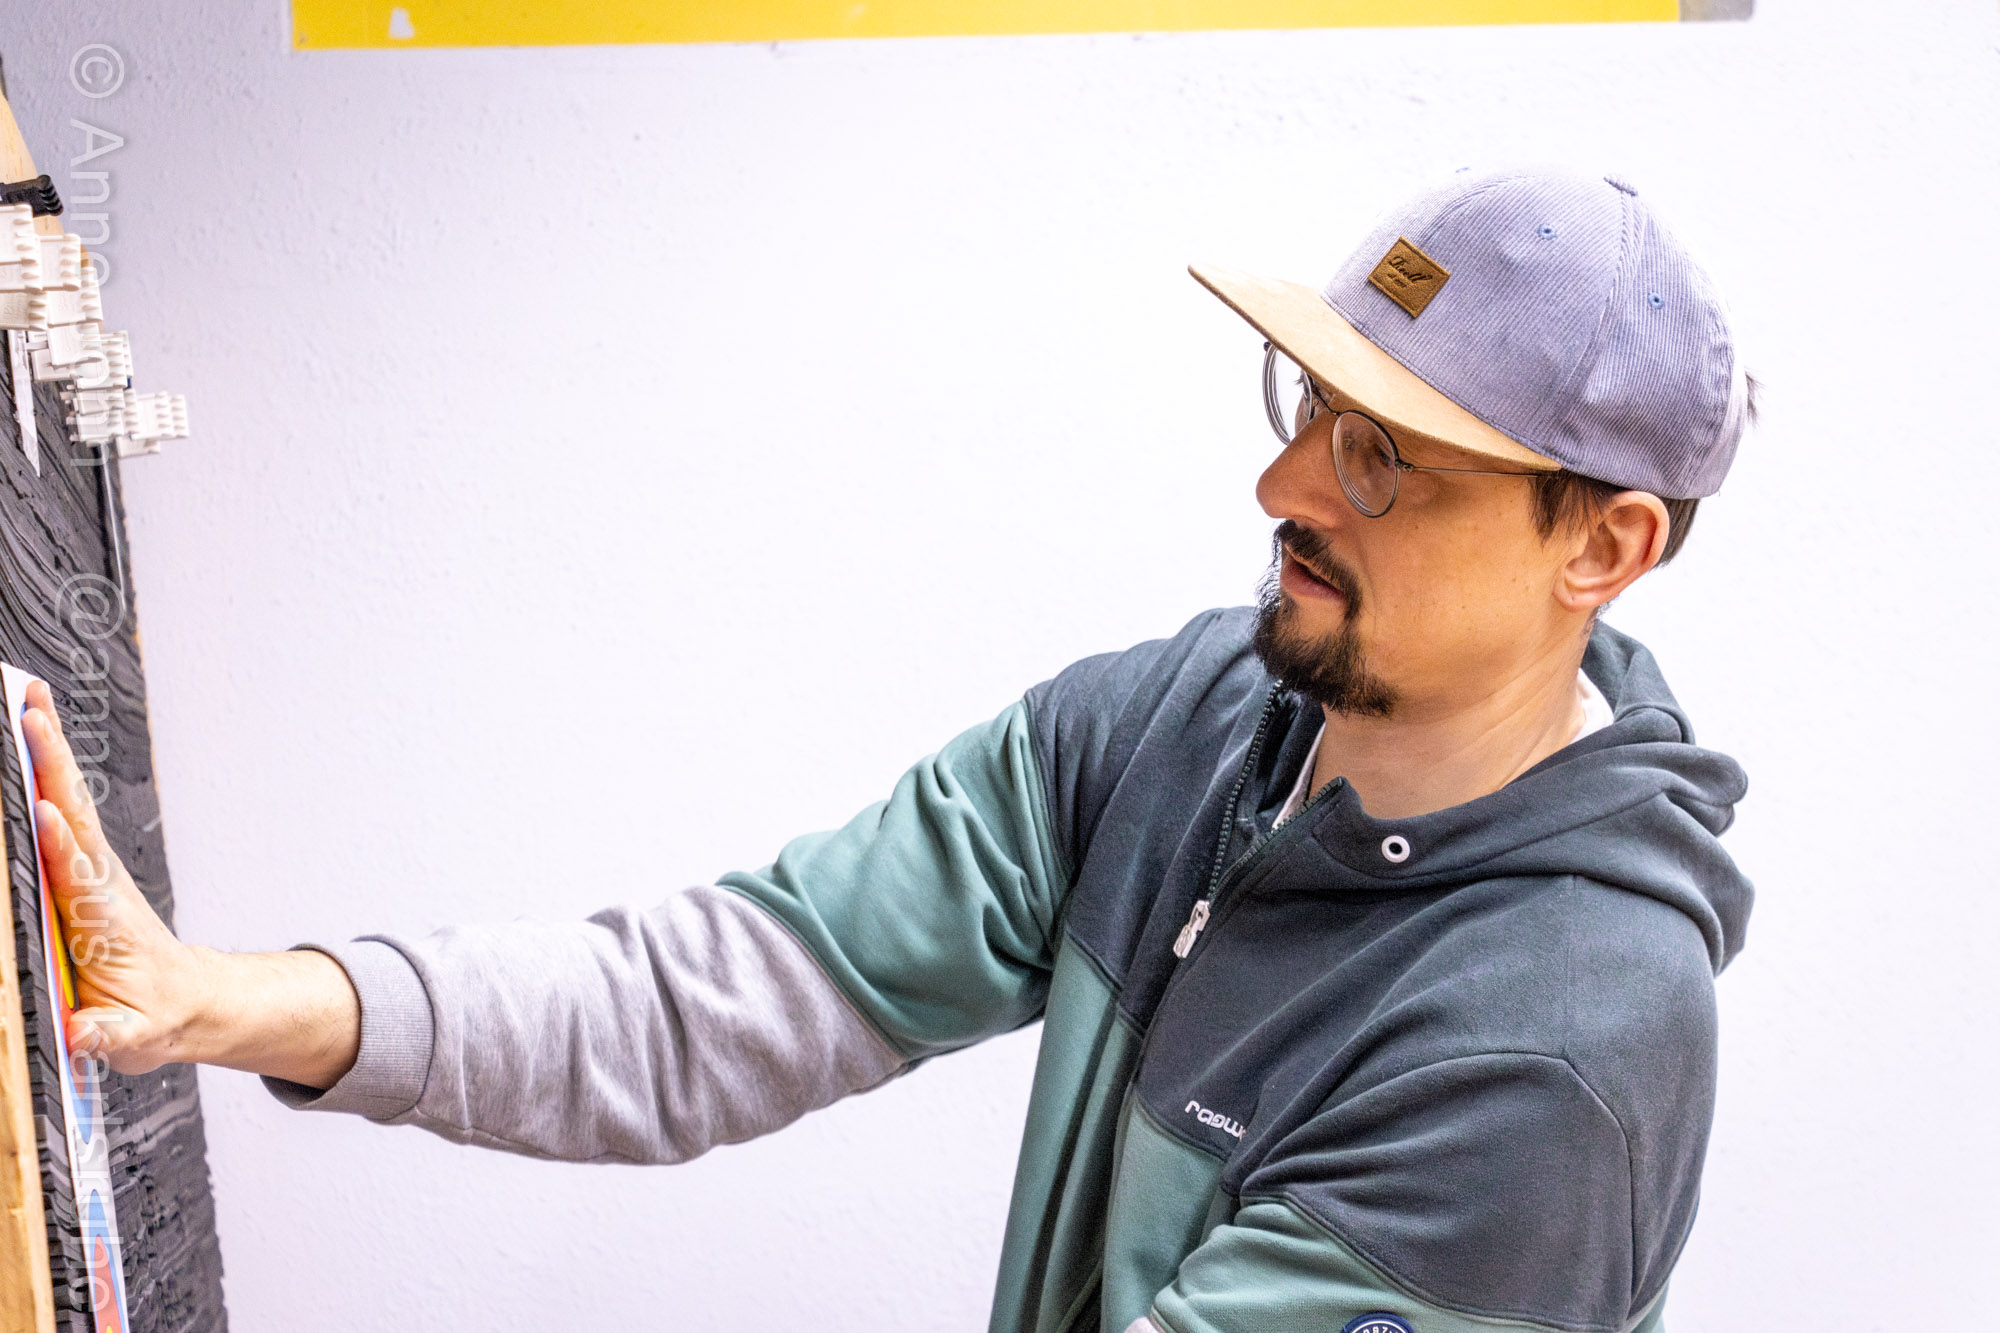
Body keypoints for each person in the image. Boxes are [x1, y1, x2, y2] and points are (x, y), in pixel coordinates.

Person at [24, 165, 1755, 1333]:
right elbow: (710, 1002)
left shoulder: (1556, 1050)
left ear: (1601, 548)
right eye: (1310, 408)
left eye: (1385, 457)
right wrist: (218, 1001)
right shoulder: (1188, 723)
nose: (1286, 484)